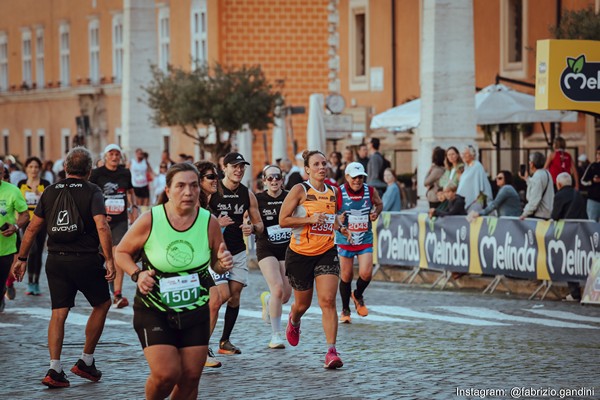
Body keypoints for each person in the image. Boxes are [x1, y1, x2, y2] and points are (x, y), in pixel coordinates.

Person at [114, 162, 233, 400]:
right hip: (155, 308)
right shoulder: (151, 219)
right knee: (166, 374)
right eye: (180, 186)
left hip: (194, 310)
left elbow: (215, 263)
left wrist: (223, 262)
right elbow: (121, 252)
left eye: (192, 186)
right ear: (168, 190)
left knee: (190, 378)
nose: (188, 192)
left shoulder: (208, 221)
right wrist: (137, 274)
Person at [11, 147, 115, 388]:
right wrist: (109, 259)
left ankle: (54, 368)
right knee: (102, 303)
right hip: (86, 260)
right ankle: (86, 360)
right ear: (89, 171)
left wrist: (22, 259)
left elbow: (33, 228)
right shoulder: (93, 191)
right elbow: (102, 226)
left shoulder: (49, 191)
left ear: (66, 168)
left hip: (56, 260)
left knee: (59, 312)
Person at [279, 149, 347, 369]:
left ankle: (331, 351)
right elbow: (283, 220)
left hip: (326, 251)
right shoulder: (300, 190)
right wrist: (309, 219)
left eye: (324, 164)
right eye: (316, 164)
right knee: (302, 304)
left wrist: (340, 227)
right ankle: (294, 320)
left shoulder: (333, 191)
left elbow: (329, 218)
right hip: (300, 255)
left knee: (327, 301)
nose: (321, 167)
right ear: (306, 169)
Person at [208, 152, 264, 355]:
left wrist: (252, 228)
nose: (239, 170)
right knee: (216, 300)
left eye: (242, 167)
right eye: (234, 166)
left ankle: (224, 341)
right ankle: (201, 345)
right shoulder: (213, 190)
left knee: (235, 296)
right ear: (224, 168)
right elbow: (197, 217)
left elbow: (260, 224)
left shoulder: (247, 194)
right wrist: (215, 221)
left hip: (238, 251)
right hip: (216, 253)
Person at [89, 144, 136, 308]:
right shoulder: (96, 174)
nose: (115, 157)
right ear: (105, 156)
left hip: (120, 219)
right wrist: (98, 212)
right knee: (100, 256)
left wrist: (133, 208)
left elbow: (130, 192)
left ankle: (117, 294)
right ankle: (105, 286)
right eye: (111, 154)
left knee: (118, 253)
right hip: (102, 220)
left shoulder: (125, 172)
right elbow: (90, 193)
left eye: (117, 154)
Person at [336, 162, 382, 324]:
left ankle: (357, 295)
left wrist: (375, 213)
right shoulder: (339, 192)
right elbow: (331, 212)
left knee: (366, 273)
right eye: (354, 177)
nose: (357, 180)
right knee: (346, 275)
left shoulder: (370, 191)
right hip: (345, 238)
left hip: (364, 238)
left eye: (360, 177)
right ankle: (345, 309)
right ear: (347, 177)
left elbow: (379, 204)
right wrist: (338, 219)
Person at [255, 165, 292, 348]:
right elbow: (249, 218)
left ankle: (268, 300)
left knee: (284, 296)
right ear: (264, 181)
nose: (274, 181)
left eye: (277, 177)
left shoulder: (290, 197)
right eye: (270, 178)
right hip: (266, 247)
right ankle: (276, 335)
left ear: (282, 179)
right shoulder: (258, 199)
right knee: (277, 287)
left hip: (287, 249)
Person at [195, 160, 226, 368]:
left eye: (216, 176)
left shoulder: (208, 203)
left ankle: (200, 348)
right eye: (210, 177)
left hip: (204, 262)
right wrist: (217, 225)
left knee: (215, 300)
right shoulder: (194, 204)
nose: (216, 180)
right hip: (188, 263)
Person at [551, 172, 588, 302]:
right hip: (581, 231)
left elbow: (555, 215)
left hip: (567, 232)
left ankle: (574, 292)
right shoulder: (577, 193)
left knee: (569, 262)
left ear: (559, 184)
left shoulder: (559, 195)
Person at [16, 156, 51, 295]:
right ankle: (30, 282)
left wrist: (40, 194)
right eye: (30, 167)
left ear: (40, 169)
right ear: (26, 169)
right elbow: (18, 202)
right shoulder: (21, 183)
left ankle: (36, 283)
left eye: (36, 167)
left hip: (41, 222)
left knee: (38, 252)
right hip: (27, 222)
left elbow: (49, 201)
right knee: (32, 250)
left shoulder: (45, 183)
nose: (33, 170)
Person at [0, 159, 29, 312]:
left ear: (3, 173)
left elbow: (25, 215)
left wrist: (16, 226)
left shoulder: (12, 191)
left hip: (5, 247)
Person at [457, 145, 493, 213]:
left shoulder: (477, 166)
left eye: (466, 154)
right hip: (465, 201)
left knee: (473, 221)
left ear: (472, 155)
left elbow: (480, 184)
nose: (464, 156)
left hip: (475, 201)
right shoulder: (466, 168)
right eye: (463, 154)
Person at [520, 152, 554, 220]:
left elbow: (534, 198)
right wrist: (527, 179)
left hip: (538, 215)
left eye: (530, 162)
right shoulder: (547, 173)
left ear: (532, 164)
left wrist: (525, 213)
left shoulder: (537, 176)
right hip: (547, 213)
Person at [580, 146, 600, 222]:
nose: (598, 156)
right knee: (592, 224)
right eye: (597, 154)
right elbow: (583, 181)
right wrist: (592, 181)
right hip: (593, 200)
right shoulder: (592, 166)